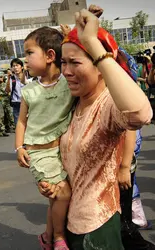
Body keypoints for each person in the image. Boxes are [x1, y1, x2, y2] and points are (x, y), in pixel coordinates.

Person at [38, 10, 152, 249]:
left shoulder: (107, 105)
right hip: (69, 220)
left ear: (101, 66)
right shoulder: (73, 103)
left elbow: (141, 114)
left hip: (96, 225)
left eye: (75, 63)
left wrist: (92, 43)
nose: (66, 71)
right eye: (63, 63)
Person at [16, 26, 73, 249]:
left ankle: (47, 238)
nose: (25, 60)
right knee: (63, 193)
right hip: (39, 152)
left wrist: (77, 34)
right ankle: (59, 237)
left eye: (30, 53)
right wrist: (19, 148)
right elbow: (21, 121)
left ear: (50, 56)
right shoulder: (29, 91)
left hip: (62, 151)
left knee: (55, 198)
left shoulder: (69, 81)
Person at [5, 58, 27, 125]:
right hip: (17, 105)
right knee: (18, 125)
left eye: (17, 65)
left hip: (27, 103)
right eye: (13, 66)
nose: (15, 67)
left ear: (22, 67)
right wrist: (8, 78)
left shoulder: (27, 76)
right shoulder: (11, 78)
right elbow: (7, 91)